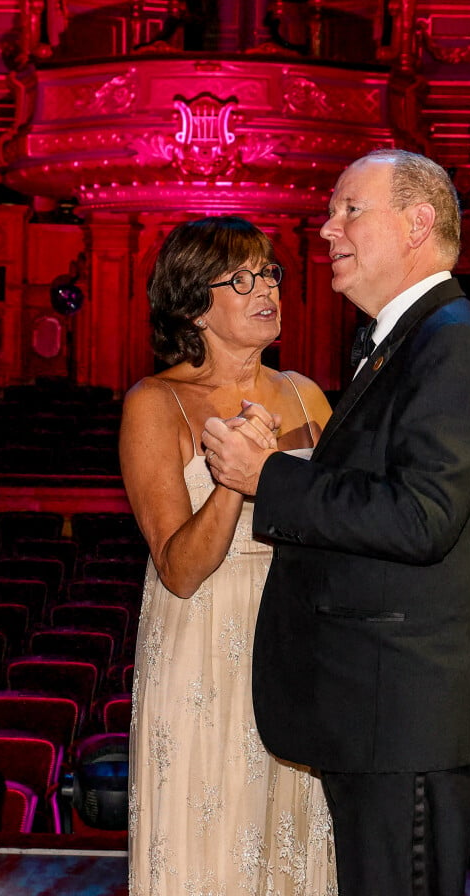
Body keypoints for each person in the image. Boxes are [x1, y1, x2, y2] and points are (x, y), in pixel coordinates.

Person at [202, 150, 470, 896]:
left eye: (350, 209)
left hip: (408, 717)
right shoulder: (408, 343)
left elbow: (421, 519)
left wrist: (268, 476)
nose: (325, 229)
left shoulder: (453, 346)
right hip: (382, 713)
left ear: (417, 224)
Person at [118, 215, 336, 896]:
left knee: (292, 848)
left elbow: (343, 526)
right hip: (204, 649)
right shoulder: (156, 404)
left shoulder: (307, 396)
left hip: (298, 642)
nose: (265, 285)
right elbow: (179, 570)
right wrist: (238, 478)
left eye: (269, 270)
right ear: (193, 303)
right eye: (241, 277)